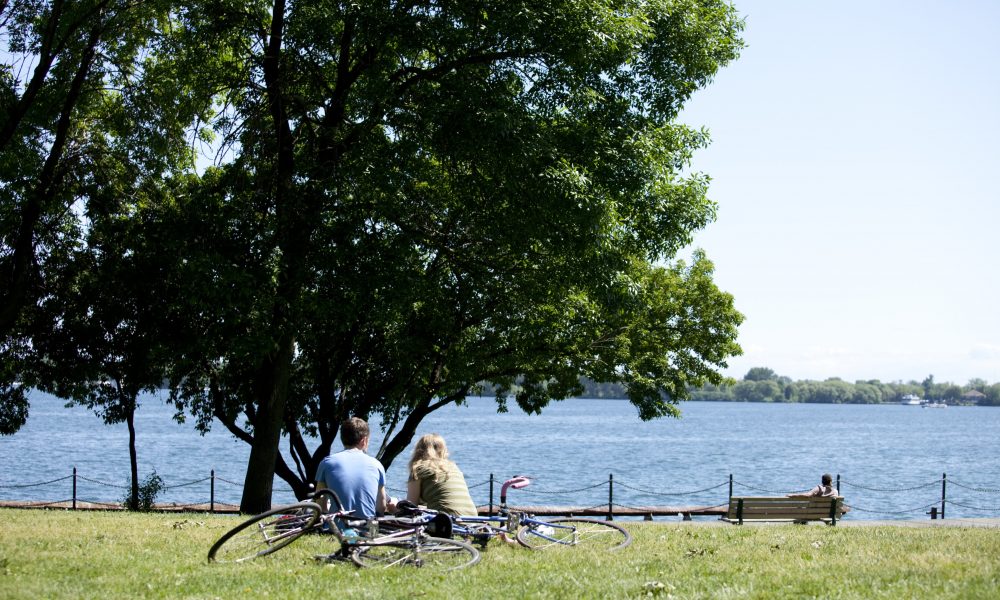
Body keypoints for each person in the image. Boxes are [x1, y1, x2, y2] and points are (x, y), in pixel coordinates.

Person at [315, 417, 394, 519]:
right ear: (364, 440)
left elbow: (320, 501)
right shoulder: (377, 465)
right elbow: (381, 504)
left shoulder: (327, 463)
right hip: (366, 527)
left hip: (336, 527)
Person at [406, 433, 478, 516]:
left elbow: (410, 508)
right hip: (472, 518)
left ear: (418, 451)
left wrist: (393, 507)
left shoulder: (418, 469)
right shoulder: (453, 467)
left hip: (446, 520)